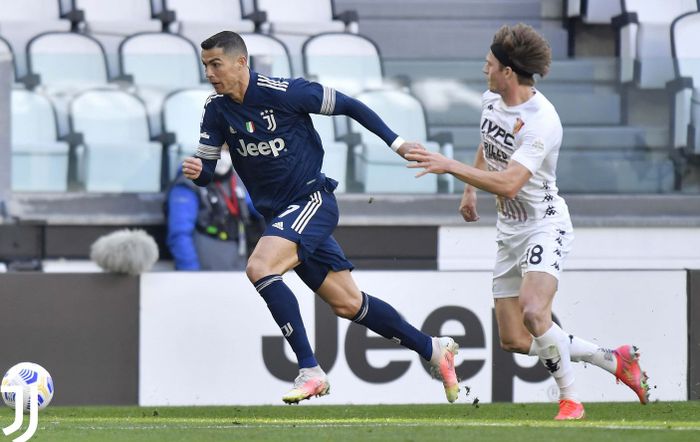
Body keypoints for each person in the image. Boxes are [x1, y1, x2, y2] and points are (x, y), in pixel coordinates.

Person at [181, 31, 459, 404]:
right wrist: (198, 171)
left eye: (216, 64)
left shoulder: (285, 92)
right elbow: (210, 170)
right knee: (348, 303)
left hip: (311, 201)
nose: (210, 73)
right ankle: (432, 348)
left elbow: (349, 105)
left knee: (260, 267)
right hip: (280, 216)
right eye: (205, 66)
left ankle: (310, 371)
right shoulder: (215, 110)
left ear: (241, 62)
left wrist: (397, 143)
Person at [406, 23, 650, 419]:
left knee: (535, 311)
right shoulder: (491, 98)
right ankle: (613, 359)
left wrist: (450, 168)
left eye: (490, 64)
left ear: (508, 72)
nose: (484, 68)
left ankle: (570, 399)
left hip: (544, 223)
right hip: (509, 230)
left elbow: (510, 184)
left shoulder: (542, 120)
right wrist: (469, 188)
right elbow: (490, 142)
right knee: (515, 340)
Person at [167, 148, 263, 271]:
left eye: (228, 150)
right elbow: (179, 234)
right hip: (204, 275)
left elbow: (262, 208)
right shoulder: (187, 184)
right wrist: (191, 275)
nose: (223, 155)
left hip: (238, 271)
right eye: (219, 148)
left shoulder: (237, 179)